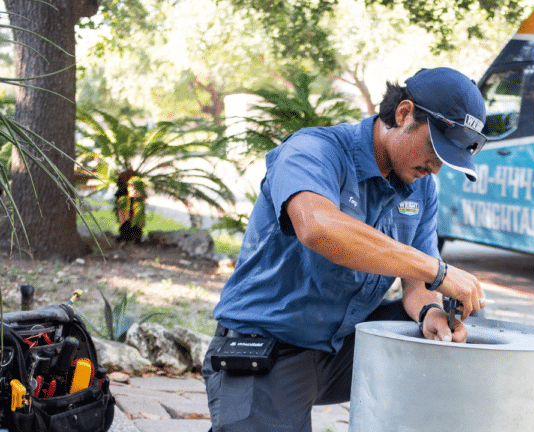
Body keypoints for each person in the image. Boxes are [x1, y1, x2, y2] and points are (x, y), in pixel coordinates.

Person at [203, 67, 488, 432]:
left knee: (463, 321)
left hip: (347, 349)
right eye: (436, 149)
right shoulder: (313, 151)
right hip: (270, 347)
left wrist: (430, 313)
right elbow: (318, 228)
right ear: (404, 114)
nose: (435, 168)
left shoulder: (421, 188)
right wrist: (440, 271)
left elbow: (418, 286)